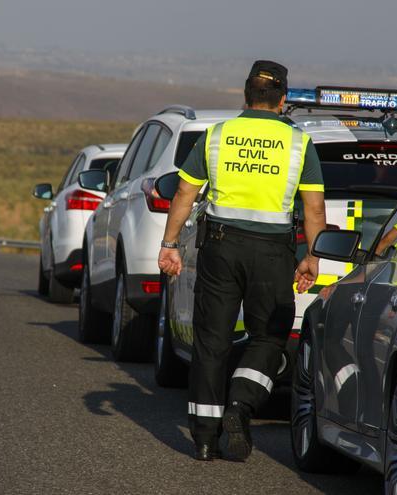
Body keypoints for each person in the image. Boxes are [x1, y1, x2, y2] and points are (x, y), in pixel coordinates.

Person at [158, 60, 327, 462]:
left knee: (211, 340)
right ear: (283, 99)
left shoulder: (219, 135)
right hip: (272, 253)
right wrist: (312, 258)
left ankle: (203, 438)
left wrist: (169, 245)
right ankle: (240, 404)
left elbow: (184, 193)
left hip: (220, 247)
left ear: (246, 93)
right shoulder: (299, 143)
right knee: (269, 337)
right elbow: (314, 209)